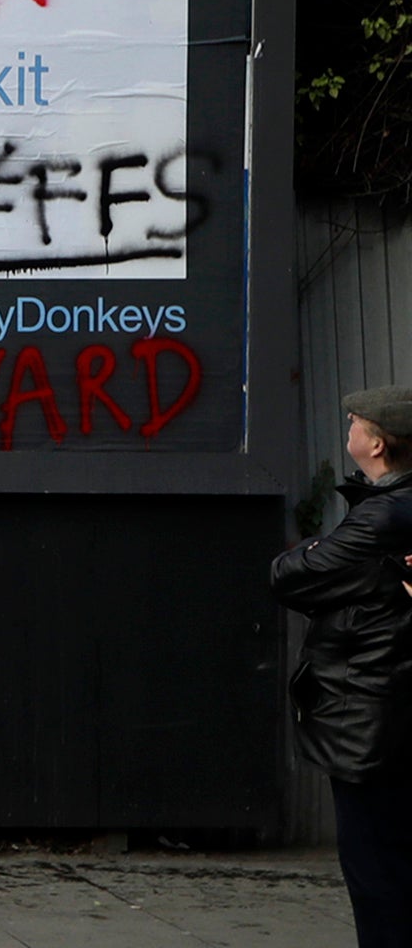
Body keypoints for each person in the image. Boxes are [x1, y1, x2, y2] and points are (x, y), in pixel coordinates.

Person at [270, 386, 412, 947]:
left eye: (354, 420)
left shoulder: (383, 517)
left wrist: (308, 550)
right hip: (390, 709)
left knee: (377, 872)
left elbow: (289, 576)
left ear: (376, 443)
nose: (347, 426)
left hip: (372, 714)